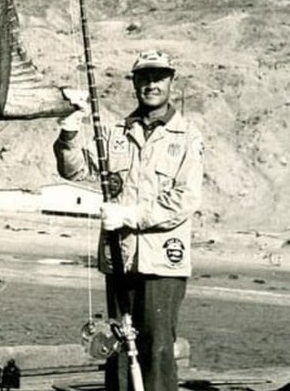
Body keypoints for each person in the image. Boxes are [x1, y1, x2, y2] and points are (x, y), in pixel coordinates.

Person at [54, 49, 203, 391]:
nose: (151, 84)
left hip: (162, 263)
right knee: (118, 347)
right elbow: (74, 168)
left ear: (170, 82)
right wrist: (70, 129)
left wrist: (130, 215)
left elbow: (184, 199)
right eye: (144, 78)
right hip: (119, 258)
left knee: (156, 348)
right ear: (134, 82)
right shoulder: (116, 133)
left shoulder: (188, 137)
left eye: (159, 77)